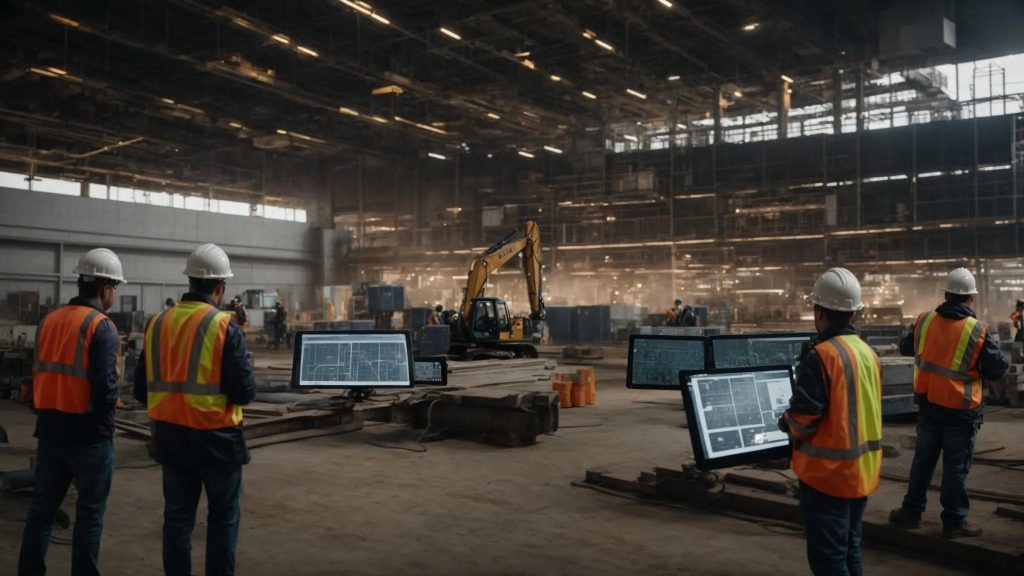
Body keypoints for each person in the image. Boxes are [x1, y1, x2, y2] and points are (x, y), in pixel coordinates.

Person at [133, 243, 256, 576]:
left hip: (171, 439)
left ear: (189, 281)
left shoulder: (157, 323)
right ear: (220, 288)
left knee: (177, 521)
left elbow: (141, 390)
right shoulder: (223, 326)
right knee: (222, 521)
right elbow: (244, 392)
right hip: (218, 442)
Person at [19, 248, 126, 576]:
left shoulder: (48, 321)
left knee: (41, 514)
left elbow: (37, 375)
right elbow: (105, 390)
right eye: (115, 289)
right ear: (105, 290)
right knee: (90, 516)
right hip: (89, 437)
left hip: (50, 431)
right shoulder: (101, 326)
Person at [889, 267, 1008, 539]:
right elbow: (997, 369)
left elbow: (906, 347)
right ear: (971, 298)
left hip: (929, 407)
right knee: (955, 468)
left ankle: (911, 512)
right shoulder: (976, 331)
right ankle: (954, 521)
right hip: (960, 413)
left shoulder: (925, 321)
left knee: (922, 462)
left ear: (945, 294)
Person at [779, 267, 882, 576]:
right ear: (854, 312)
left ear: (819, 312)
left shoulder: (821, 356)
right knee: (849, 551)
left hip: (828, 477)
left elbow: (804, 419)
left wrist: (785, 422)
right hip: (861, 472)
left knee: (828, 561)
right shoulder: (868, 353)